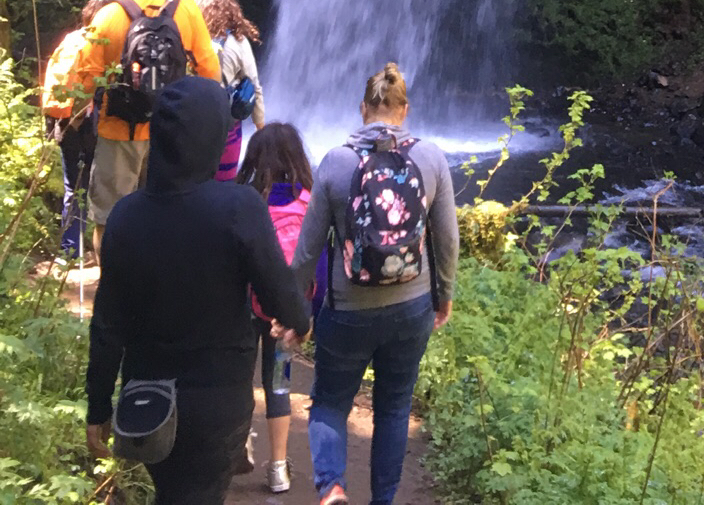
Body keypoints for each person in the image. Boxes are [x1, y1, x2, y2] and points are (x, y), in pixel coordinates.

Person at [86, 75, 310, 504]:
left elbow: (107, 325)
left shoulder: (125, 217)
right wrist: (300, 321)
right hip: (216, 402)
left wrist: (98, 405)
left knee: (171, 492)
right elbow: (280, 293)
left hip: (145, 403)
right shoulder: (238, 207)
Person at [291, 62, 458, 505]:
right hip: (412, 306)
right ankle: (382, 501)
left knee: (329, 400)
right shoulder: (432, 158)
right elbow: (446, 239)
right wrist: (445, 296)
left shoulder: (336, 161)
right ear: (404, 110)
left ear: (363, 109)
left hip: (347, 311)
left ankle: (332, 488)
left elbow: (307, 252)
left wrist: (295, 312)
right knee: (394, 407)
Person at [71, 0, 223, 256]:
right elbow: (211, 73)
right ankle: (160, 292)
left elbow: (85, 80)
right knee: (168, 214)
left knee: (109, 219)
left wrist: (79, 121)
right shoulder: (187, 10)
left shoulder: (108, 16)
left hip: (118, 132)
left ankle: (115, 291)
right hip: (171, 130)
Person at [237, 123, 313, 495]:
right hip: (286, 313)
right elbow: (317, 261)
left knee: (239, 378)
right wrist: (307, 311)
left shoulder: (247, 200)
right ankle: (279, 469)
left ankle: (237, 445)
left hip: (246, 307)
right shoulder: (308, 202)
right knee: (278, 386)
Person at [41, 0, 109, 260]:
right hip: (92, 124)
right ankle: (102, 249)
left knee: (74, 185)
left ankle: (70, 251)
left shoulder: (70, 40)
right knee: (101, 186)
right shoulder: (102, 44)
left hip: (65, 121)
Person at [194, 0, 266, 181]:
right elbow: (254, 86)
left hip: (194, 121)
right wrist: (261, 129)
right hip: (228, 124)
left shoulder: (192, 41)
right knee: (224, 182)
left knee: (194, 179)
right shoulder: (239, 43)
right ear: (232, 13)